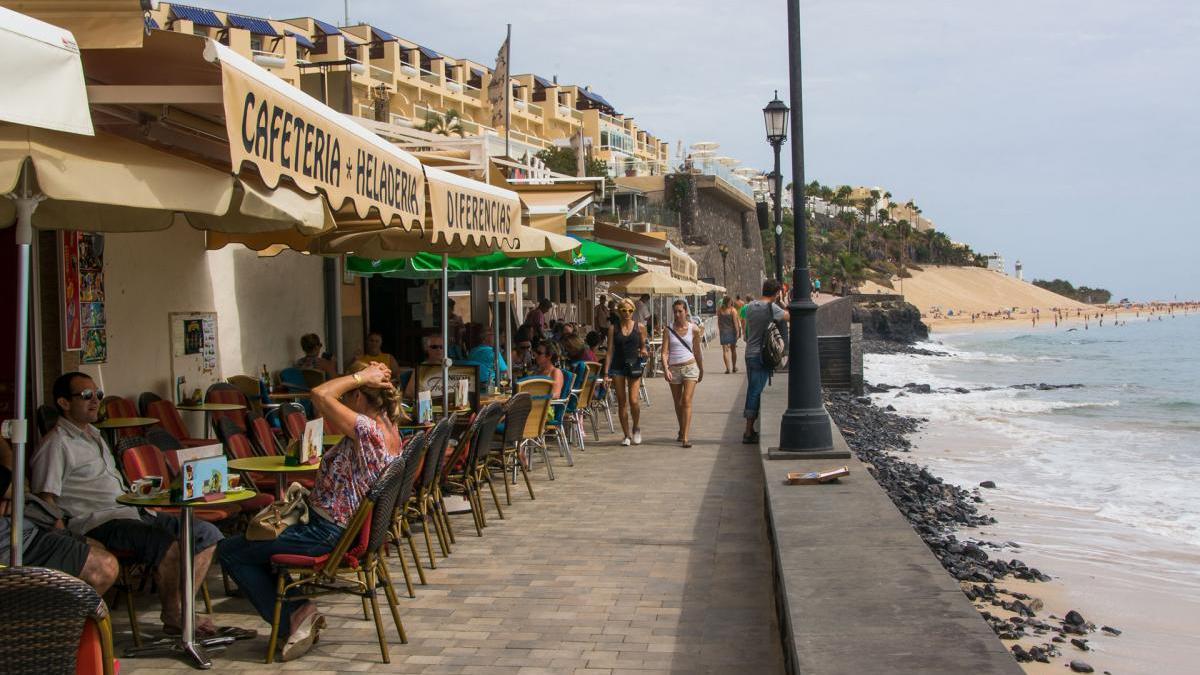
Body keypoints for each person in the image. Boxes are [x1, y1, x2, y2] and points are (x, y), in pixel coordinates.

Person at [218, 362, 403, 661]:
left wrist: (359, 377)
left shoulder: (367, 430)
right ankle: (297, 609)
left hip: (327, 533)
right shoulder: (390, 428)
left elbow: (319, 393)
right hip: (340, 528)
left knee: (230, 551)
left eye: (347, 396)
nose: (341, 403)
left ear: (357, 397)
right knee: (258, 542)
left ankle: (293, 615)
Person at [32, 372, 237, 638]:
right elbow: (45, 501)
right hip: (100, 522)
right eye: (85, 396)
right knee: (171, 546)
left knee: (207, 535)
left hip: (134, 510)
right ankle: (176, 616)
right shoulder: (56, 444)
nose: (95, 401)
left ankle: (181, 611)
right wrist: (64, 537)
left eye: (98, 395)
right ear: (63, 402)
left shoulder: (94, 435)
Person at [1, 437, 118, 593]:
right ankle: (54, 614)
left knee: (98, 548)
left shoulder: (92, 436)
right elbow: (19, 487)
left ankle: (56, 611)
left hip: (26, 529)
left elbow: (20, 487)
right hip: (13, 544)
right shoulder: (57, 442)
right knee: (104, 567)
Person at [742, 280, 789, 444]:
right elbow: (789, 316)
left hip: (749, 353)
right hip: (761, 356)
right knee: (755, 391)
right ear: (776, 293)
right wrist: (782, 302)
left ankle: (750, 429)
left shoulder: (751, 306)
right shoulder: (771, 307)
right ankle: (748, 431)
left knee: (752, 389)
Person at [602, 298, 649, 446]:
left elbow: (644, 346)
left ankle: (636, 427)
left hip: (634, 365)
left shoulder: (640, 327)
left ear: (633, 311)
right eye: (623, 310)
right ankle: (626, 435)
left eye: (630, 310)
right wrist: (606, 373)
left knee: (634, 400)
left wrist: (643, 350)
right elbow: (609, 351)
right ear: (618, 311)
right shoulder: (613, 328)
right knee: (622, 402)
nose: (627, 313)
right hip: (617, 366)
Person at [662, 300, 704, 447]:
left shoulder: (694, 329)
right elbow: (664, 352)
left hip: (690, 367)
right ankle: (681, 429)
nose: (678, 314)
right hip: (674, 369)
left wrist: (701, 368)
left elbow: (698, 351)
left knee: (686, 400)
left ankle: (685, 437)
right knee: (678, 402)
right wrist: (665, 368)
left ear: (686, 312)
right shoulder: (668, 330)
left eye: (680, 311)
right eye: (675, 312)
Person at [465, 323, 509, 391]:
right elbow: (505, 373)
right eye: (492, 334)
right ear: (484, 338)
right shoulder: (493, 352)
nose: (495, 336)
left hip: (475, 391)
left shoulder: (472, 352)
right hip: (493, 390)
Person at [404, 334, 445, 400]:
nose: (438, 349)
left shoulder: (449, 367)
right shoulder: (420, 368)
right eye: (434, 347)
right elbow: (408, 393)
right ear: (427, 348)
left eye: (441, 347)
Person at [717, 296, 742, 374]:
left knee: (725, 351)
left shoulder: (720, 310)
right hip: (732, 331)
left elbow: (719, 322)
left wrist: (720, 329)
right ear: (730, 302)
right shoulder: (733, 310)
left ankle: (728, 368)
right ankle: (734, 367)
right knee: (733, 349)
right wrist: (738, 332)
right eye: (731, 302)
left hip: (723, 332)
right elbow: (735, 323)